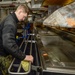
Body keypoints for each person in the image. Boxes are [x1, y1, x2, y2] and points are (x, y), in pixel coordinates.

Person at [0, 4, 33, 75]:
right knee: (7, 72)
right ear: (20, 11)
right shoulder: (10, 23)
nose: (23, 19)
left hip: (3, 51)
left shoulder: (10, 19)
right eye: (24, 17)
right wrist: (24, 57)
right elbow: (8, 44)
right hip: (2, 54)